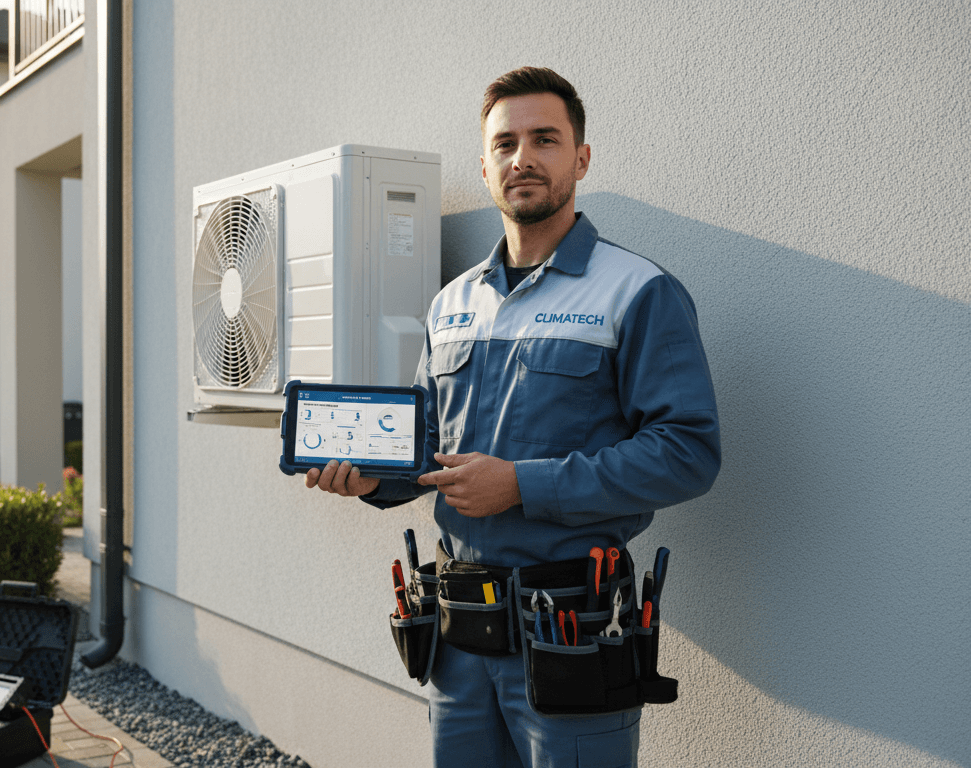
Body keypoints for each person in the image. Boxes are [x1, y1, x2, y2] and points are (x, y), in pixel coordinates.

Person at [305, 67, 721, 767]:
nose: (522, 158)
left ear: (580, 158)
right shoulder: (451, 304)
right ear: (486, 164)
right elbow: (428, 449)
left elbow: (687, 452)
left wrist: (524, 484)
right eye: (505, 144)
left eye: (544, 140)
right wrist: (371, 480)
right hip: (457, 634)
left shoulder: (638, 292)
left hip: (571, 634)